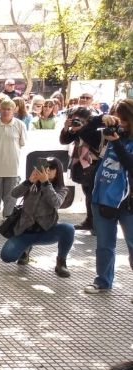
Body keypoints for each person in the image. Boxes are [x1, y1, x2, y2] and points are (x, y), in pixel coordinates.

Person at [84, 100, 133, 294]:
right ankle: (103, 280)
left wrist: (116, 143)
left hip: (128, 200)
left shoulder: (118, 139)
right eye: (115, 117)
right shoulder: (108, 133)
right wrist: (99, 119)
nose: (118, 122)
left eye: (122, 118)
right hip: (103, 197)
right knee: (104, 244)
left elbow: (130, 165)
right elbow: (83, 134)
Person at [0, 157, 73, 278]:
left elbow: (56, 203)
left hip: (47, 231)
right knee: (7, 256)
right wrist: (29, 181)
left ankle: (61, 262)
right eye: (45, 167)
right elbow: (14, 194)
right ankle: (25, 249)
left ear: (58, 171)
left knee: (69, 229)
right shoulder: (32, 184)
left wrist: (46, 183)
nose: (47, 170)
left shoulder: (62, 189)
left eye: (52, 168)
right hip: (24, 232)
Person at [0, 99, 27, 222]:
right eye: (3, 109)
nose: (6, 111)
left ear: (14, 110)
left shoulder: (20, 125)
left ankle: (8, 214)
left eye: (9, 109)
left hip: (13, 166)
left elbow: (22, 143)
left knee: (11, 193)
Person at [60, 106, 100, 231]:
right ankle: (90, 221)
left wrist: (82, 129)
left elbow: (94, 142)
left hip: (93, 163)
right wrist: (67, 128)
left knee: (92, 194)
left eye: (80, 119)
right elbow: (64, 141)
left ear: (88, 120)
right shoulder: (76, 130)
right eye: (74, 119)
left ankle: (96, 223)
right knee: (87, 192)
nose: (77, 121)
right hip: (81, 165)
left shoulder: (95, 130)